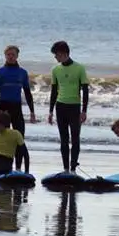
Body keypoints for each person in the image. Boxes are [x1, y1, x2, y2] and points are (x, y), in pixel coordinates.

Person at [47, 41, 90, 173]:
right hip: (60, 107)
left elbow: (85, 90)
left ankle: (73, 169)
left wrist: (84, 110)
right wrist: (50, 111)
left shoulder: (79, 68)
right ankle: (66, 169)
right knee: (64, 139)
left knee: (75, 138)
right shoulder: (55, 70)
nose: (55, 57)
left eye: (56, 54)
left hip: (74, 107)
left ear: (64, 53)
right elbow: (54, 91)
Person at [0, 46, 36, 138]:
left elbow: (27, 93)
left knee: (19, 137)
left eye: (13, 54)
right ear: (5, 56)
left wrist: (32, 112)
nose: (10, 57)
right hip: (3, 108)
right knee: (2, 139)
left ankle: (19, 153)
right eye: (8, 54)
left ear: (17, 56)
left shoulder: (22, 72)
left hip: (17, 108)